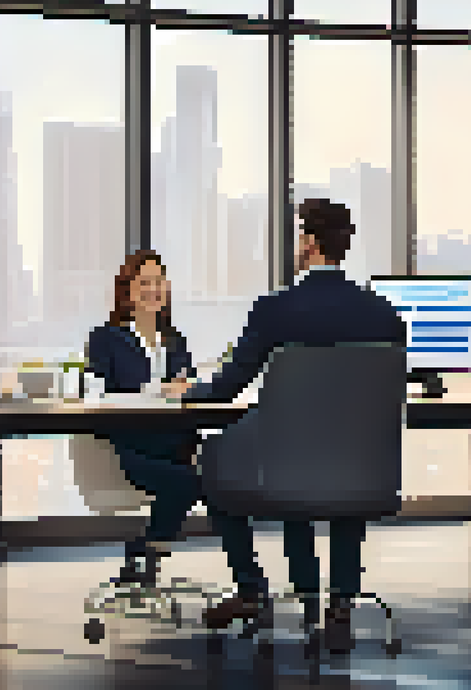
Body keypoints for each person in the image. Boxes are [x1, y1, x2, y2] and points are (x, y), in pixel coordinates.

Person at [163, 198, 406, 653]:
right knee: (340, 473)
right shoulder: (385, 315)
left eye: (299, 237)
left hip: (288, 466)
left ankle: (256, 590)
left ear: (311, 244)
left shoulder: (275, 308)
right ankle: (340, 605)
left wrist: (187, 392)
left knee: (218, 465)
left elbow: (229, 386)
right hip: (363, 471)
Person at [86, 249, 199, 587]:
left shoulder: (175, 340)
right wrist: (158, 390)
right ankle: (146, 552)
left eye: (159, 281)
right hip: (132, 447)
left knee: (210, 472)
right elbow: (99, 394)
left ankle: (144, 555)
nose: (154, 289)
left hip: (177, 443)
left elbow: (188, 389)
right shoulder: (107, 338)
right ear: (128, 291)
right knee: (190, 482)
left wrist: (187, 387)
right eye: (144, 282)